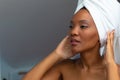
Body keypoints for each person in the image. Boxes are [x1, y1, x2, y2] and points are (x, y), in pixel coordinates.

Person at [22, 0, 120, 80]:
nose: (73, 32)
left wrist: (110, 64)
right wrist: (57, 54)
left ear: (102, 34)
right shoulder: (65, 68)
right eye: (71, 26)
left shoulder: (115, 71)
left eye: (83, 26)